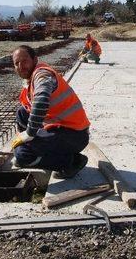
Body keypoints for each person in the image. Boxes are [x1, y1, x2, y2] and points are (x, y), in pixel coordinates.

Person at [11, 45, 90, 179]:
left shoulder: (42, 74)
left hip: (74, 136)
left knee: (22, 155)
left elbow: (41, 100)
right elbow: (29, 108)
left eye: (24, 61)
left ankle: (72, 162)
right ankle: (34, 147)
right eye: (16, 63)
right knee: (22, 112)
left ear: (35, 60)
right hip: (61, 128)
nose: (20, 66)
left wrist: (30, 133)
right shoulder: (30, 80)